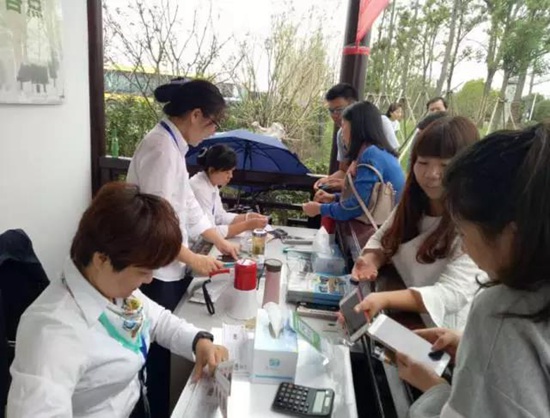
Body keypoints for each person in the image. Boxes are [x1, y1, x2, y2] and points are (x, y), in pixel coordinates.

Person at [7, 182, 229, 418]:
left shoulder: (109, 286)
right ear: (102, 260)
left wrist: (199, 341)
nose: (148, 280)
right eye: (143, 271)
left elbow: (157, 320)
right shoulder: (53, 332)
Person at [396, 122, 550, 417]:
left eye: (464, 233)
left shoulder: (504, 312)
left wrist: (435, 389)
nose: (464, 248)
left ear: (511, 235)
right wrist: (469, 344)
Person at [126, 78, 237, 417]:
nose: (213, 131)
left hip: (168, 265)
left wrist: (219, 241)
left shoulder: (173, 148)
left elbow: (188, 207)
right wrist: (193, 258)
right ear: (196, 115)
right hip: (155, 269)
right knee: (157, 354)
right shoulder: (161, 150)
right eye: (213, 123)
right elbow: (157, 223)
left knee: (167, 344)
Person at [352, 116, 483, 330]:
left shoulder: (474, 224)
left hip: (445, 333)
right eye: (423, 163)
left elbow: (451, 293)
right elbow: (383, 238)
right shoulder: (414, 204)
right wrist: (371, 260)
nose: (431, 174)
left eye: (445, 165)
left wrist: (385, 299)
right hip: (409, 322)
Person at [303, 101, 405, 221]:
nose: (341, 133)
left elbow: (357, 206)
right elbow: (366, 198)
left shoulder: (370, 155)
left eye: (343, 125)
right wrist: (333, 197)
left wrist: (320, 209)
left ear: (356, 128)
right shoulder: (379, 151)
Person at [314, 84, 399, 192]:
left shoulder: (380, 123)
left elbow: (392, 162)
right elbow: (344, 171)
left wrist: (346, 184)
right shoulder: (341, 134)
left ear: (354, 105)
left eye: (339, 110)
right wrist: (328, 181)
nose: (335, 115)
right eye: (331, 111)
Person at [190, 144, 268, 239]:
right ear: (211, 170)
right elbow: (209, 232)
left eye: (232, 171)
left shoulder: (211, 184)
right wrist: (246, 225)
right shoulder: (199, 188)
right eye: (227, 172)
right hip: (192, 243)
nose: (230, 176)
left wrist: (247, 217)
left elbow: (220, 217)